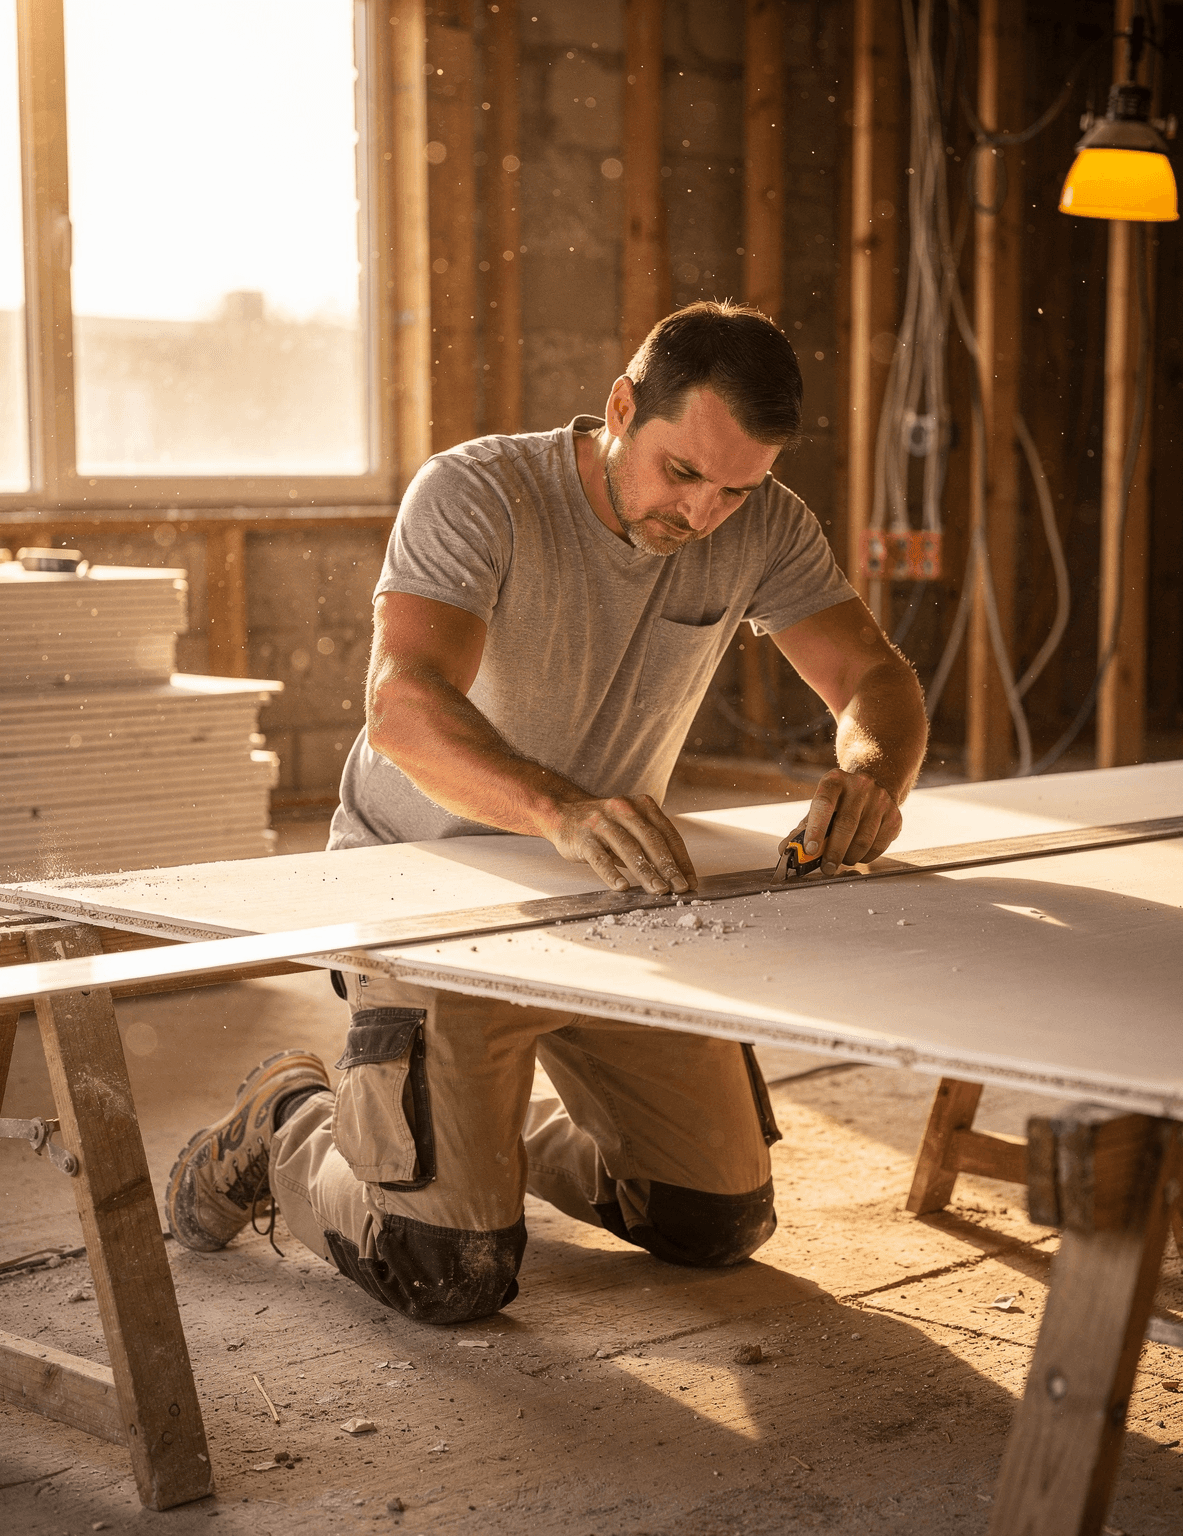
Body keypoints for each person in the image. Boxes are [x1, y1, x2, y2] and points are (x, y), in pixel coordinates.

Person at [167, 302, 928, 1323]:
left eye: (735, 490)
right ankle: (292, 1121)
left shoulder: (766, 522)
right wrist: (559, 810)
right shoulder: (478, 491)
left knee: (714, 1222)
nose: (703, 515)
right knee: (448, 1267)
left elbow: (872, 675)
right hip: (422, 897)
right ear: (620, 407)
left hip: (608, 898)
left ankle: (464, 1138)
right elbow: (402, 708)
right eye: (682, 474)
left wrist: (872, 771)